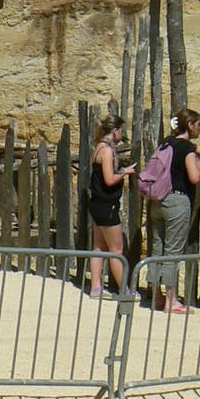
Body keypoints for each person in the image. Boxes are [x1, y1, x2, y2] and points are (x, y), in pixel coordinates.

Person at [146, 107, 200, 314]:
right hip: (177, 201)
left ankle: (156, 296)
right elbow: (195, 177)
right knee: (172, 252)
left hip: (157, 201)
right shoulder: (187, 148)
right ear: (190, 125)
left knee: (157, 248)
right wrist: (198, 159)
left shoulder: (165, 144)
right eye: (198, 125)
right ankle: (171, 300)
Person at [88, 117, 134, 295]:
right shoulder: (106, 151)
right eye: (121, 130)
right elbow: (109, 179)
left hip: (98, 203)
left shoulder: (98, 147)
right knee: (117, 250)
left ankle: (96, 288)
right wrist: (124, 172)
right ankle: (124, 290)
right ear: (115, 130)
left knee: (98, 247)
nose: (122, 134)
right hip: (107, 204)